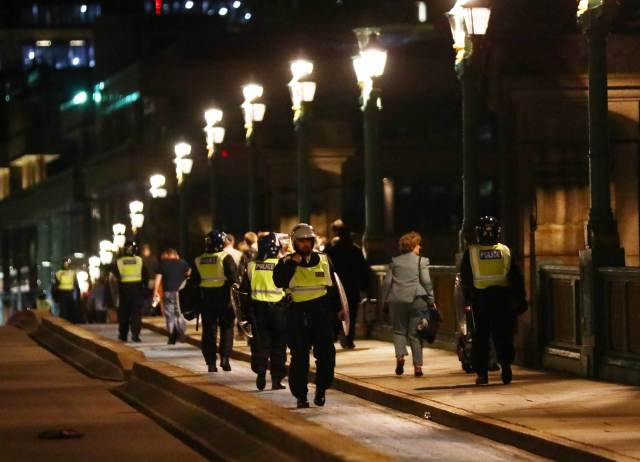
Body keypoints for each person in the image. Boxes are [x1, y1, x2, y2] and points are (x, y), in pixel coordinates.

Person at [273, 223, 340, 408]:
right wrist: (292, 263)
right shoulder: (286, 262)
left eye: (308, 241)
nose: (305, 244)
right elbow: (278, 281)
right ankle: (301, 395)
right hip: (297, 313)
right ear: (295, 242)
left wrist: (340, 311)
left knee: (326, 355)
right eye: (301, 241)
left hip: (321, 312)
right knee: (300, 358)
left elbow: (334, 288)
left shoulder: (325, 259)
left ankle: (321, 389)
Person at [460, 216, 527, 386]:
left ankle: (482, 374)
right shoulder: (505, 251)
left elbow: (465, 278)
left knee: (480, 338)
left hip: (480, 300)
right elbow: (517, 277)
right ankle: (506, 367)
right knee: (503, 335)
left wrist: (468, 298)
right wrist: (520, 298)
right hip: (503, 299)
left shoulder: (471, 252)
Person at [382, 232, 435, 377]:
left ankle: (400, 357)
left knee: (399, 331)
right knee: (415, 334)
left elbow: (387, 283)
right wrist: (431, 301)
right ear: (413, 246)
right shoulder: (421, 261)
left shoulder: (394, 262)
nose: (420, 247)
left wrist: (384, 302)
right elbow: (427, 282)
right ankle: (417, 367)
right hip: (417, 299)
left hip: (397, 300)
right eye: (418, 244)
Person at [239, 232, 287, 391]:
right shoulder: (283, 264)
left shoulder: (252, 265)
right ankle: (276, 380)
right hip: (279, 310)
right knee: (278, 345)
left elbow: (244, 291)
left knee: (261, 344)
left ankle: (260, 373)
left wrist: (244, 314)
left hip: (258, 310)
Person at [193, 230, 238, 372]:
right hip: (224, 298)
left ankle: (211, 363)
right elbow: (234, 278)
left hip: (206, 299)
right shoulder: (225, 257)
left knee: (208, 331)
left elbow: (194, 281)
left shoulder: (199, 260)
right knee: (227, 328)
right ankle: (225, 358)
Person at [326, 225, 370, 349]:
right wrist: (365, 287)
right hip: (352, 287)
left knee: (334, 311)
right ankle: (349, 339)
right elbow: (363, 270)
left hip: (336, 286)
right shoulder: (356, 250)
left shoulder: (332, 250)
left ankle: (334, 335)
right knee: (351, 313)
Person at [113, 241, 148, 342]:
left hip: (124, 291)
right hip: (137, 291)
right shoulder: (140, 261)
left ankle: (123, 335)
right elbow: (146, 276)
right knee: (136, 314)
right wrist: (144, 290)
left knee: (124, 314)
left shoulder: (119, 262)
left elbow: (115, 278)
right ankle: (135, 335)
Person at [154, 248, 191, 344]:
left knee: (170, 315)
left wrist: (155, 291)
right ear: (176, 255)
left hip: (168, 292)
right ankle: (181, 333)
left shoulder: (163, 263)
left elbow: (158, 278)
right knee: (180, 313)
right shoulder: (183, 263)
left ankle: (172, 335)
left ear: (168, 254)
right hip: (180, 292)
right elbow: (189, 274)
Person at [52, 257, 79, 322]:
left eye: (67, 263)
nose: (66, 264)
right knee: (64, 309)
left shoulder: (73, 272)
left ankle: (71, 322)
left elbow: (76, 283)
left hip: (70, 292)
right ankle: (64, 322)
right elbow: (56, 284)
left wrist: (78, 293)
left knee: (71, 308)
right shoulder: (58, 273)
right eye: (65, 263)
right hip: (62, 292)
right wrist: (55, 295)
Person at [141, 244, 159, 316]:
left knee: (145, 295)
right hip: (153, 279)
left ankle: (146, 310)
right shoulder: (154, 258)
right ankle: (151, 309)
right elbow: (157, 269)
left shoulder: (141, 259)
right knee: (152, 295)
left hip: (144, 280)